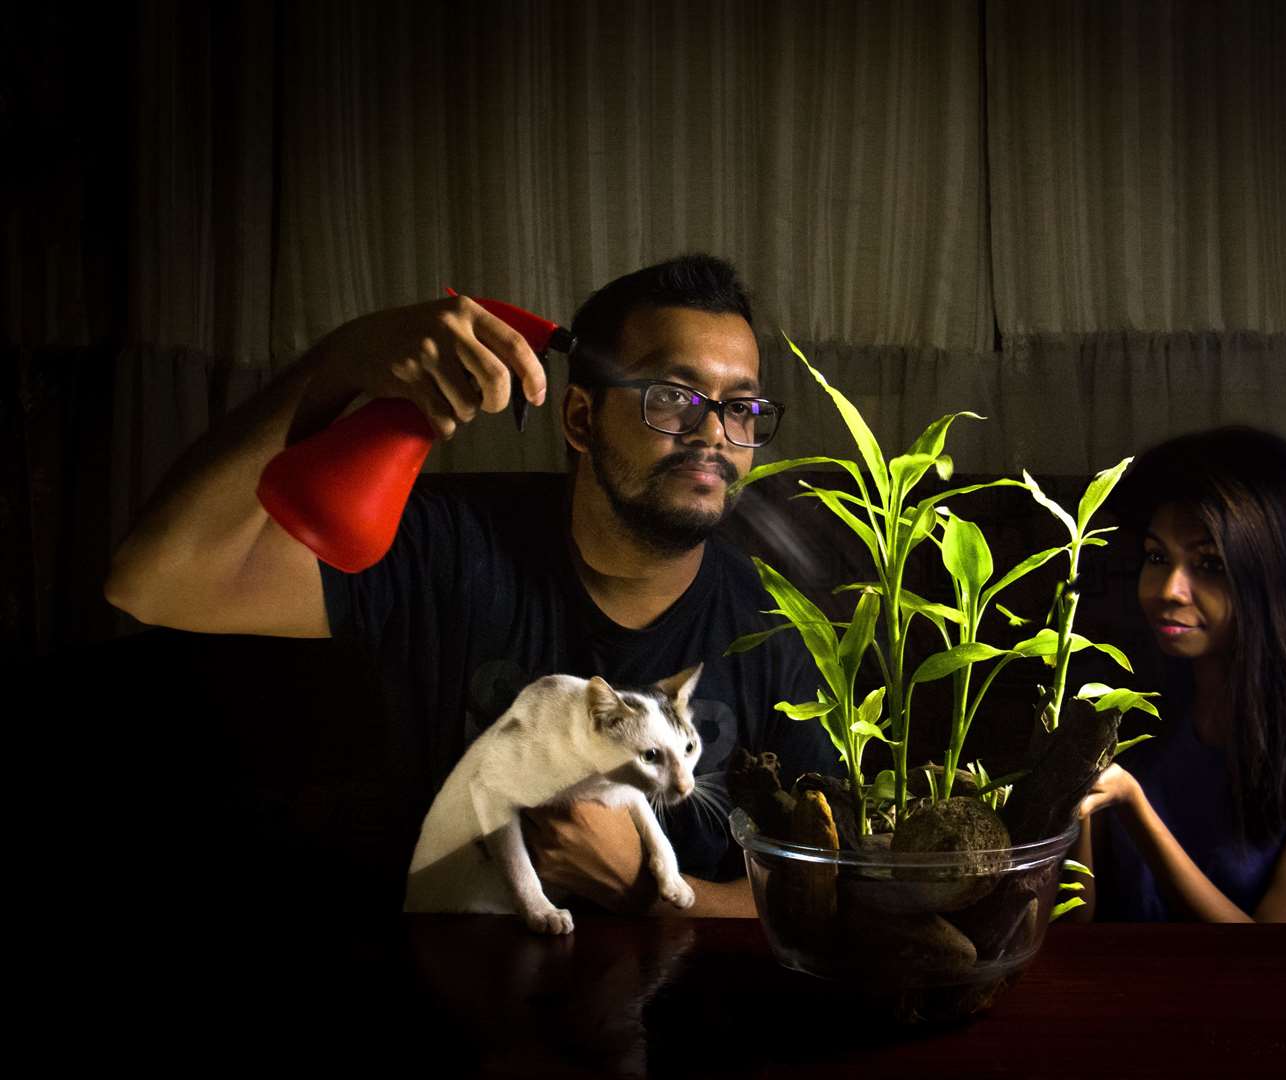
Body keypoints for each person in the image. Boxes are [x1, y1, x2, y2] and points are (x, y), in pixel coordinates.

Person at [104, 253, 837, 917]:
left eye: (740, 406)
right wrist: (339, 366)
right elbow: (153, 581)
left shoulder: (777, 623)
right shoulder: (449, 547)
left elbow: (839, 887)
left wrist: (654, 890)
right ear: (582, 418)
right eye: (674, 396)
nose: (714, 434)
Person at [1075, 426, 1286, 922]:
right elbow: (1080, 924)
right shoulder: (1136, 710)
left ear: (1276, 579)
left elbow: (1270, 955)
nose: (1169, 589)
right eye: (1157, 557)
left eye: (1209, 564)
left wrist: (1134, 808)